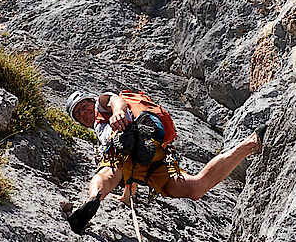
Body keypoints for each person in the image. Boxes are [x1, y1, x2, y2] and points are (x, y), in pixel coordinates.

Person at [62, 89, 261, 233]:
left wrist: (118, 113)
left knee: (107, 172)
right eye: (79, 114)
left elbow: (114, 100)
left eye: (84, 106)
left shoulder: (101, 104)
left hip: (130, 145)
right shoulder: (99, 127)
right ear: (80, 123)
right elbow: (131, 172)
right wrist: (126, 197)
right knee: (196, 188)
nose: (85, 112)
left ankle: (93, 198)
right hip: (150, 157)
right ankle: (252, 143)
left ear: (91, 101)